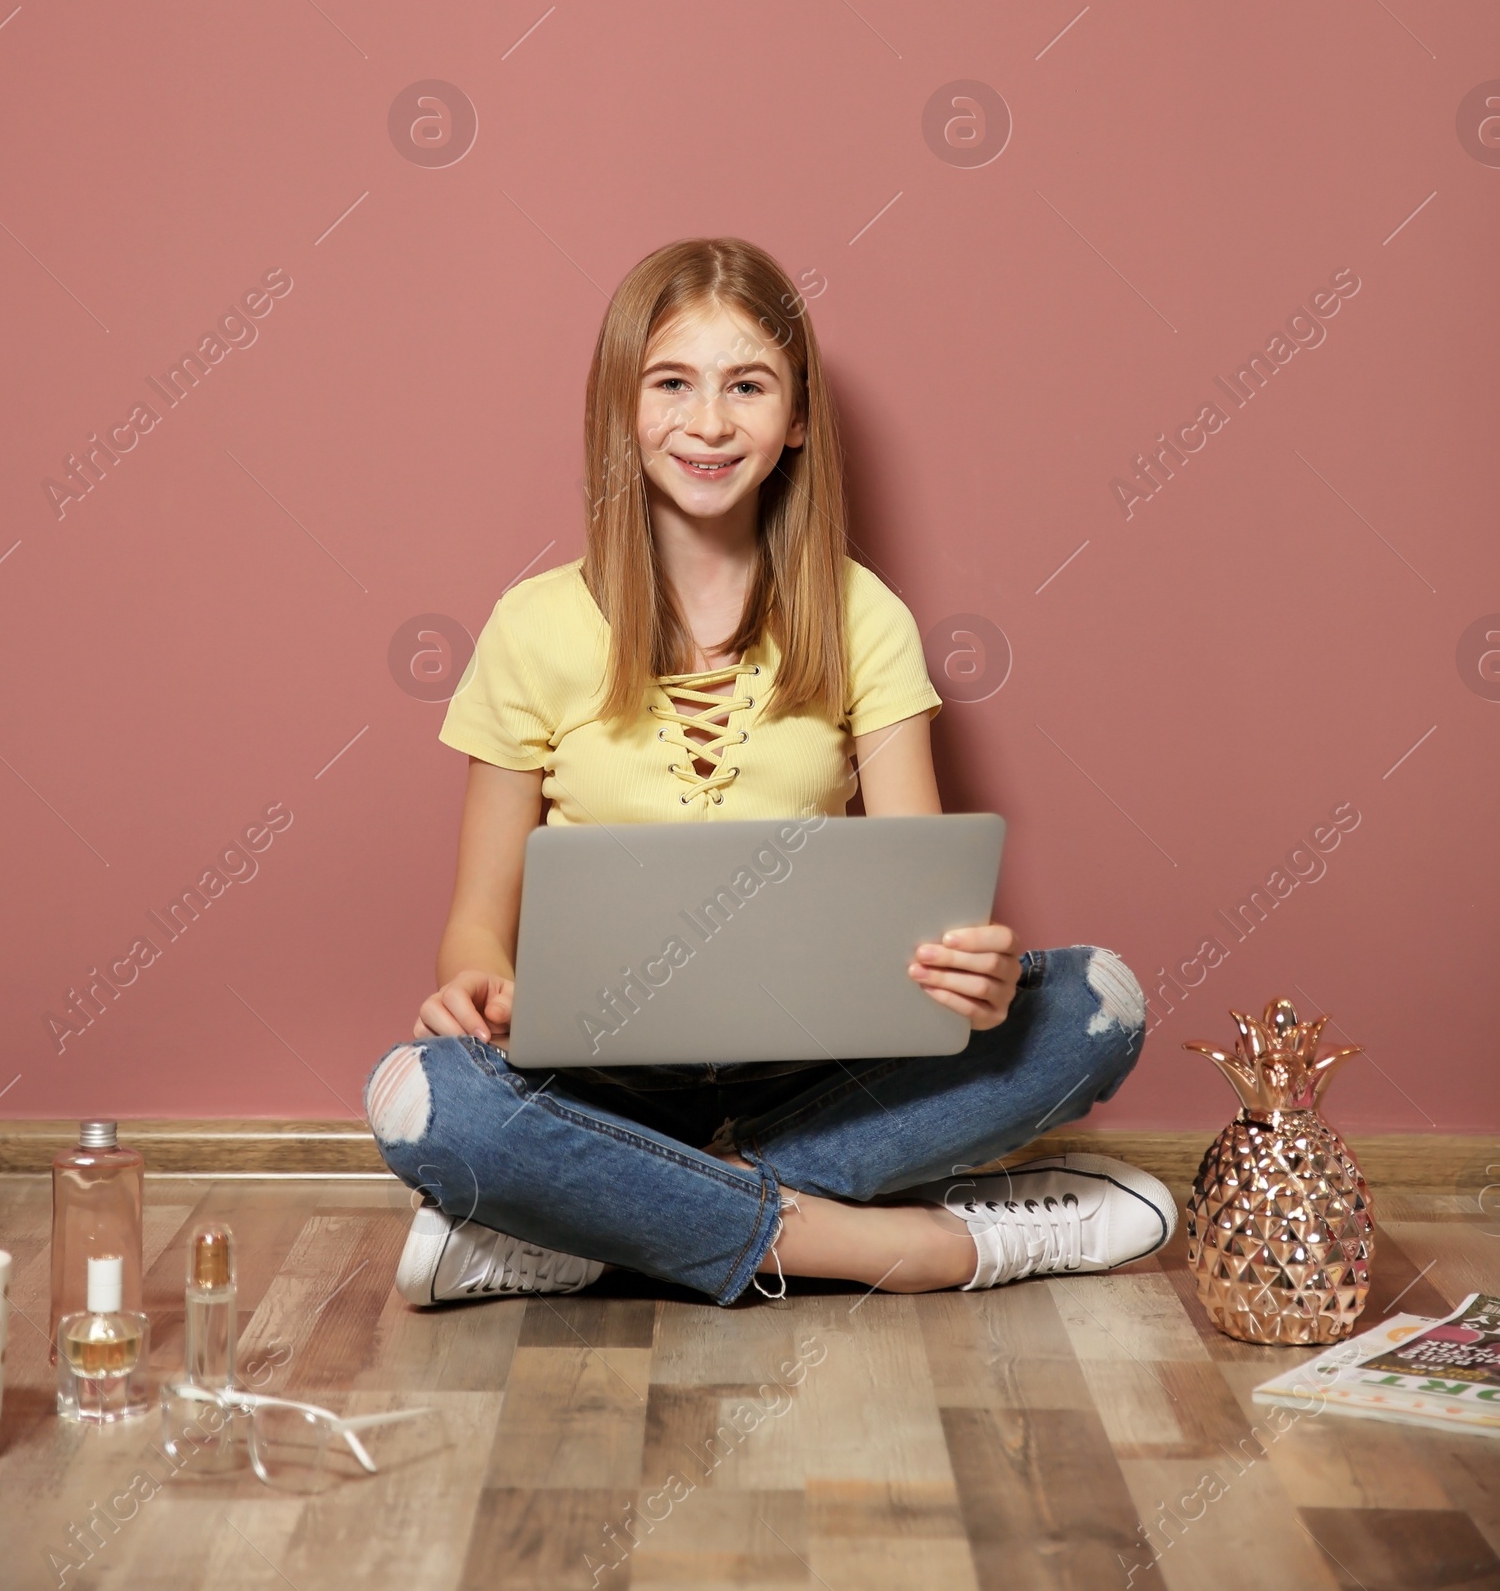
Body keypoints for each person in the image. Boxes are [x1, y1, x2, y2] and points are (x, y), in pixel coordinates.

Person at [366, 238, 1173, 1306]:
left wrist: (964, 988)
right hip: (599, 1084)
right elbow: (473, 926)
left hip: (820, 1077)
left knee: (1095, 1007)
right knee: (419, 1096)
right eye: (671, 385)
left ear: (795, 420)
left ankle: (603, 1227)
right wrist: (473, 986)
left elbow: (920, 910)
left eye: (746, 386)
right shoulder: (533, 625)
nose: (707, 424)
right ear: (622, 407)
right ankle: (920, 1246)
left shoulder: (861, 615)